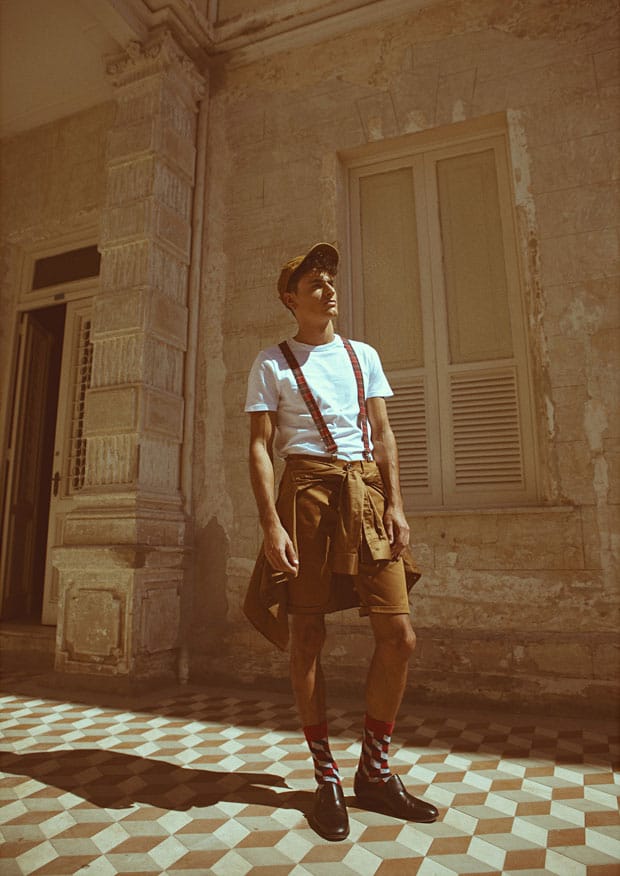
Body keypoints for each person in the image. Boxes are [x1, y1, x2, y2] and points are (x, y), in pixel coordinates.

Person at [243, 242, 438, 841]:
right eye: (315, 282)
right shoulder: (271, 363)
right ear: (291, 298)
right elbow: (260, 447)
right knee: (307, 634)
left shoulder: (363, 356)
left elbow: (382, 433)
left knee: (399, 635)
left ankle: (374, 772)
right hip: (305, 497)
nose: (328, 289)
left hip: (365, 495)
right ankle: (326, 775)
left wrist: (397, 504)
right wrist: (271, 525)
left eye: (330, 279)